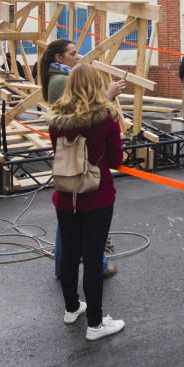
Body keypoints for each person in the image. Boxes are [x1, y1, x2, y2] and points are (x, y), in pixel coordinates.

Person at [49, 64, 126, 341]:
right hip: (97, 194)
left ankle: (71, 308)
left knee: (69, 254)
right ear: (97, 84)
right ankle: (95, 324)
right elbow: (117, 159)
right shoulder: (106, 117)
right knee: (93, 258)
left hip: (65, 194)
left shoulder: (57, 118)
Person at [42, 38, 124, 278]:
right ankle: (89, 269)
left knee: (68, 222)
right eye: (72, 53)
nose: (77, 57)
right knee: (83, 232)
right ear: (59, 57)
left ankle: (68, 273)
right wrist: (107, 98)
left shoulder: (59, 79)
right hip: (83, 171)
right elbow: (81, 120)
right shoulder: (61, 82)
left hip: (71, 168)